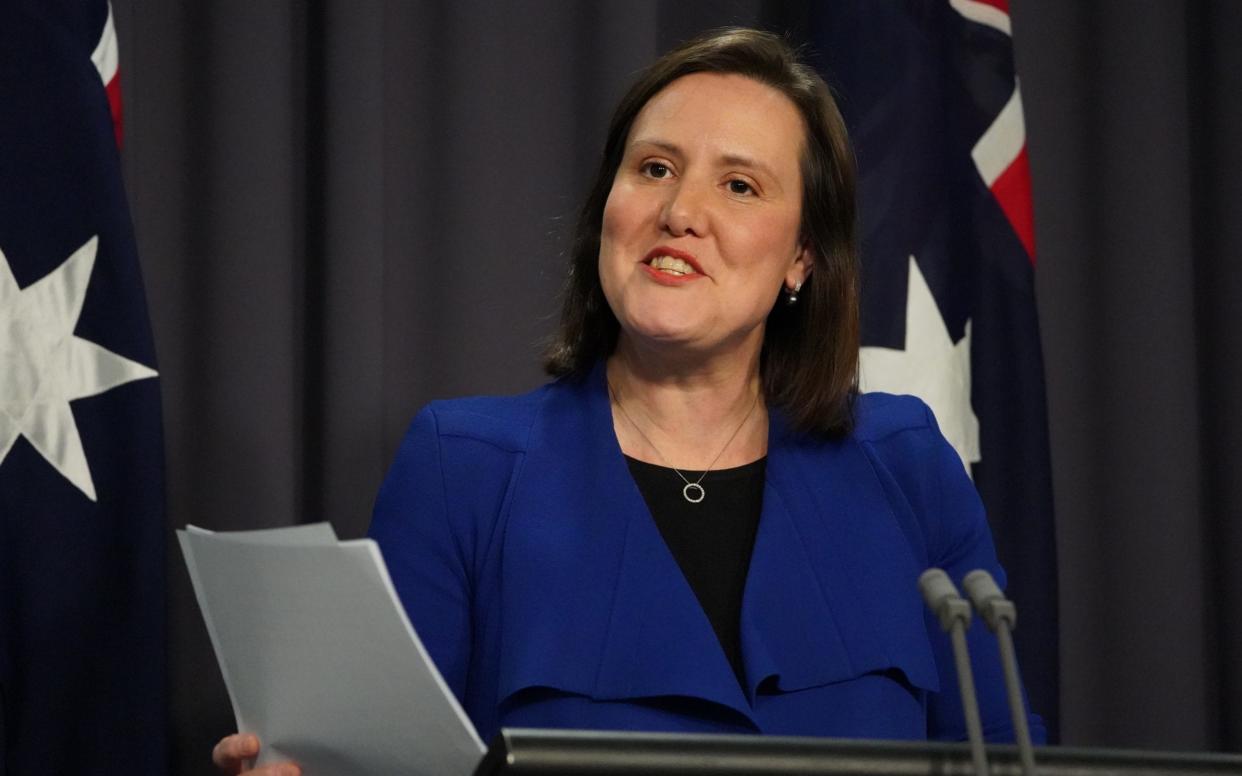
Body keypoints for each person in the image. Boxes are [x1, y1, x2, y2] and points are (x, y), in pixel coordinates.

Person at [214, 26, 1044, 774]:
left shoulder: (906, 467)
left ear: (802, 259)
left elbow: (1007, 758)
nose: (680, 212)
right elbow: (376, 765)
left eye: (741, 187)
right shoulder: (462, 470)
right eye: (654, 168)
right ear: (605, 211)